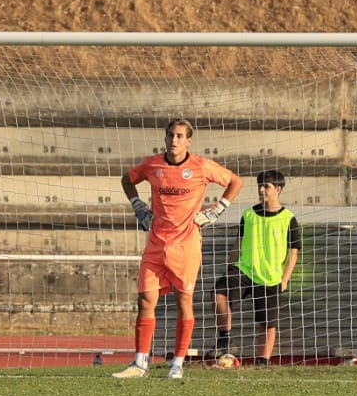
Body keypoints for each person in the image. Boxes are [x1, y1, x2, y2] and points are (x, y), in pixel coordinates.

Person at [113, 118, 243, 380]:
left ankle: (178, 363)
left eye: (180, 136)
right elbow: (127, 180)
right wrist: (138, 205)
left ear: (189, 141)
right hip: (156, 243)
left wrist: (217, 210)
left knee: (184, 302)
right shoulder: (153, 165)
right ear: (165, 138)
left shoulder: (200, 166)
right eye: (171, 135)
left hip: (186, 245)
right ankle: (139, 363)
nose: (174, 140)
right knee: (145, 300)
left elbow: (235, 182)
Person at [213, 169, 301, 366]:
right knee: (219, 293)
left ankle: (263, 360)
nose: (261, 190)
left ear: (278, 189)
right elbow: (239, 242)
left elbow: (293, 253)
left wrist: (285, 279)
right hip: (244, 270)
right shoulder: (248, 215)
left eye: (266, 186)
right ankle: (225, 338)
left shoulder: (289, 219)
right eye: (259, 186)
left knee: (267, 323)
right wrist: (232, 263)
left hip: (270, 276)